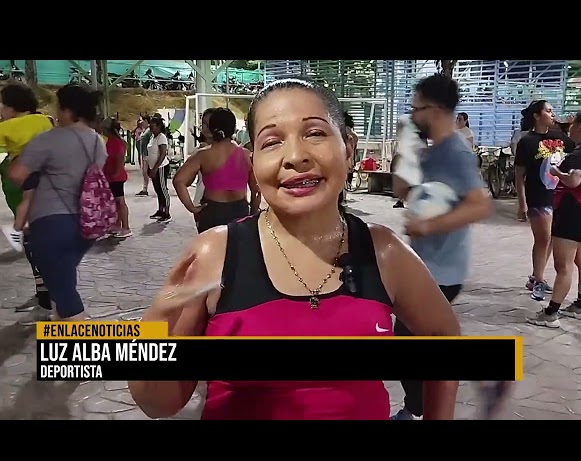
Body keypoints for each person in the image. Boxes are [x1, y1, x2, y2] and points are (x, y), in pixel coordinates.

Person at [129, 78, 461, 420]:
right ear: (254, 161)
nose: (295, 157)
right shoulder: (216, 253)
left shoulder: (383, 253)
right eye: (272, 142)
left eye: (315, 133)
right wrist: (158, 322)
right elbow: (158, 403)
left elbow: (443, 333)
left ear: (348, 147)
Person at [391, 74, 492, 420]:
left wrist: (428, 225)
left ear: (433, 110)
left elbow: (480, 205)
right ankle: (417, 407)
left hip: (442, 270)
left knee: (406, 336)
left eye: (415, 108)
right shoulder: (430, 151)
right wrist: (404, 149)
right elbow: (400, 190)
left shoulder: (456, 154)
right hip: (424, 263)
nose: (412, 115)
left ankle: (418, 409)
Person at [8, 84, 107, 321]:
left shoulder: (50, 139)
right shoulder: (97, 142)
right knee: (64, 280)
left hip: (52, 223)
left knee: (63, 291)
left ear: (66, 110)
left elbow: (17, 174)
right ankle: (61, 331)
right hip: (87, 224)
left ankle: (83, 344)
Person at [527, 110, 581, 328]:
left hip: (572, 212)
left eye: (572, 124)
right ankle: (580, 306)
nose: (569, 128)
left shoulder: (580, 153)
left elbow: (574, 180)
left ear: (580, 127)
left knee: (563, 266)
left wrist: (556, 172)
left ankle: (550, 313)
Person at [0, 84, 55, 320]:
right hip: (49, 186)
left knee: (32, 241)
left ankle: (44, 299)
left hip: (21, 188)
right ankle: (48, 292)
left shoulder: (5, 128)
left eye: (2, 104)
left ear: (12, 106)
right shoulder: (44, 121)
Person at [514, 100, 575, 302]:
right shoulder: (527, 141)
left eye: (552, 111)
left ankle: (535, 276)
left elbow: (578, 148)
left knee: (550, 238)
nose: (552, 114)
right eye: (548, 111)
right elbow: (519, 174)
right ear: (537, 116)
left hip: (558, 195)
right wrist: (522, 202)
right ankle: (538, 280)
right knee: (543, 238)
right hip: (537, 196)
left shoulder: (559, 137)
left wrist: (568, 127)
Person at [173, 107, 260, 233]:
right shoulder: (247, 155)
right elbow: (256, 190)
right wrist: (253, 211)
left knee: (212, 251)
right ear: (233, 128)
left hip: (213, 211)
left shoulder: (203, 154)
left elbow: (178, 181)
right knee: (236, 251)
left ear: (212, 128)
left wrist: (192, 207)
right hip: (240, 210)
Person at [102, 117, 131, 238]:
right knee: (115, 202)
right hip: (111, 176)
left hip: (116, 177)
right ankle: (117, 224)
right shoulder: (111, 141)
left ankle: (126, 227)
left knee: (120, 201)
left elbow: (119, 159)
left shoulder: (117, 143)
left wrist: (115, 173)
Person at [146, 116, 171, 222]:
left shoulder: (161, 137)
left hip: (160, 167)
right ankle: (160, 210)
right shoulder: (153, 137)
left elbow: (162, 154)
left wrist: (155, 168)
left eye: (153, 126)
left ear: (159, 126)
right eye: (150, 126)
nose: (151, 128)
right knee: (157, 189)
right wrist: (149, 167)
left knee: (163, 189)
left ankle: (166, 212)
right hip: (153, 167)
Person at [135, 116, 151, 197]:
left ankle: (145, 188)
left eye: (142, 121)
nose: (141, 122)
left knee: (146, 172)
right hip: (144, 153)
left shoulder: (149, 131)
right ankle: (145, 188)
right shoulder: (144, 131)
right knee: (144, 172)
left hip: (148, 154)